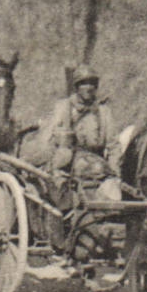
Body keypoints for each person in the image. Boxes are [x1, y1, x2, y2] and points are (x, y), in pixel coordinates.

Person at [47, 64, 124, 200]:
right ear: (77, 87)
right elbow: (53, 139)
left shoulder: (104, 111)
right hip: (70, 161)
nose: (88, 88)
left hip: (98, 162)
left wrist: (115, 172)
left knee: (107, 181)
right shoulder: (64, 107)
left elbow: (114, 146)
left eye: (92, 84)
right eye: (83, 84)